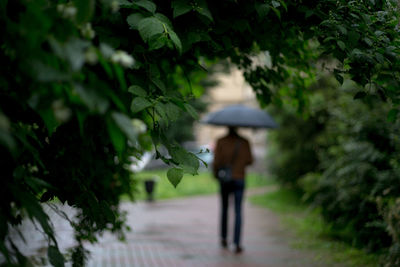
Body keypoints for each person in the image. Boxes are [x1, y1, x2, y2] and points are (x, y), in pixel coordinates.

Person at [213, 126, 253, 253]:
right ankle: (237, 243)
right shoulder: (245, 142)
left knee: (224, 209)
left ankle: (224, 238)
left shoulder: (220, 141)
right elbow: (250, 160)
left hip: (225, 180)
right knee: (238, 211)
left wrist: (216, 174)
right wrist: (239, 164)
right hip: (240, 178)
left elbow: (216, 162)